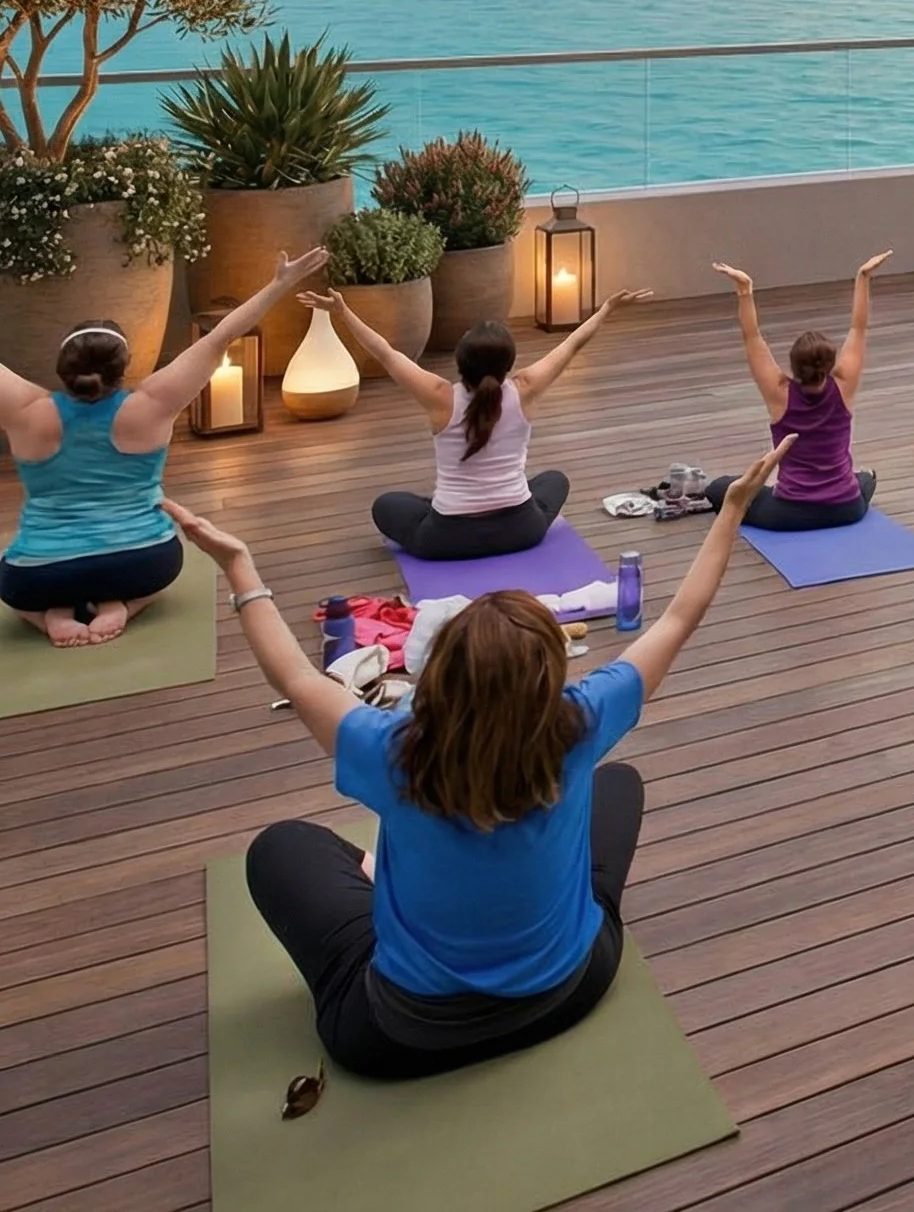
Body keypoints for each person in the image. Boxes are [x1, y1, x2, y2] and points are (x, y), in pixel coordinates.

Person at [174, 440, 786, 1080]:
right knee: (618, 784)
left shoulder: (394, 749)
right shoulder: (578, 724)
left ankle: (389, 881)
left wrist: (241, 569)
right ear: (547, 677)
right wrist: (731, 510)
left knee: (282, 847)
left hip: (396, 1038)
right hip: (570, 992)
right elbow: (680, 617)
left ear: (443, 676)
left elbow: (298, 680)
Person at [0, 247, 327, 647]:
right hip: (141, 564)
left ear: (64, 369)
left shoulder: (27, 410)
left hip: (37, 575)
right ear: (122, 368)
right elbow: (223, 335)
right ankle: (123, 605)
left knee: (14, 583)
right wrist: (281, 283)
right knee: (165, 569)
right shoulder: (150, 406)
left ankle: (50, 615)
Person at [329, 289, 650, 561]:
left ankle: (444, 503)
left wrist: (343, 311)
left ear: (460, 363)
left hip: (445, 540)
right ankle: (452, 504)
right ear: (508, 364)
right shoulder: (525, 388)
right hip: (521, 531)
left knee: (386, 505)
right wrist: (606, 309)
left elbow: (385, 353)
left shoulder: (440, 397)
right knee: (555, 480)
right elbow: (572, 344)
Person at [704, 253, 890, 529]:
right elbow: (858, 328)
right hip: (847, 508)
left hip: (790, 512)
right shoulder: (843, 385)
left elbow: (751, 337)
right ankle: (864, 479)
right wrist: (862, 278)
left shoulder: (780, 393)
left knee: (719, 489)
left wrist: (745, 291)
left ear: (793, 365)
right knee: (864, 480)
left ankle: (860, 480)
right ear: (829, 365)